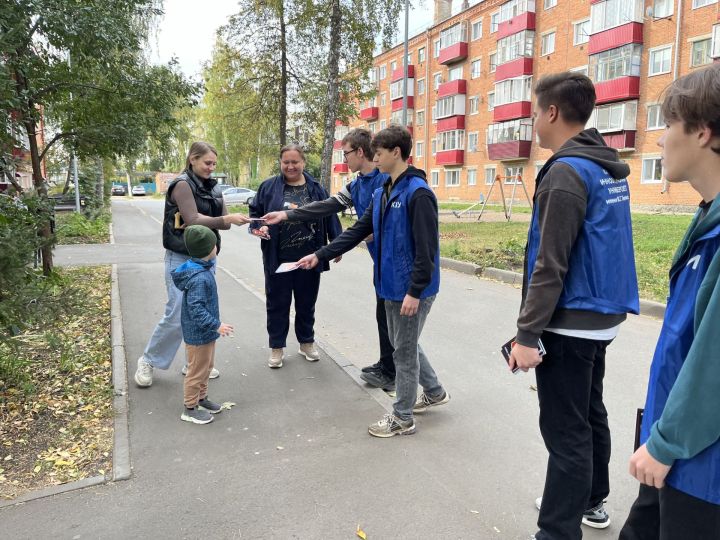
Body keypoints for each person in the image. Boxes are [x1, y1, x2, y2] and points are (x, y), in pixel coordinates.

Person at [507, 72, 639, 539]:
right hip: (600, 315)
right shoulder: (602, 164)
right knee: (589, 413)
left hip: (570, 320)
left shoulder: (565, 171)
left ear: (552, 112)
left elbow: (550, 263)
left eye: (533, 111)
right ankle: (590, 500)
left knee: (566, 432)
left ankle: (557, 530)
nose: (532, 122)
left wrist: (527, 335)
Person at [619, 64, 720, 540]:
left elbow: (713, 362)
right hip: (677, 452)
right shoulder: (707, 218)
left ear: (702, 132)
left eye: (667, 124)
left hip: (701, 467)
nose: (658, 139)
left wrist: (665, 442)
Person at [298, 125, 449, 438]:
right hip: (389, 284)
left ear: (396, 152)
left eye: (378, 154)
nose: (374, 159)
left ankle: (402, 418)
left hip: (411, 289)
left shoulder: (418, 194)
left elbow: (427, 250)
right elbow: (355, 231)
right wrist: (321, 255)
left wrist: (415, 292)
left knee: (403, 352)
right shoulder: (383, 192)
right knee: (402, 344)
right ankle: (434, 392)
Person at [261, 128, 395, 390]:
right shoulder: (356, 184)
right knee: (384, 315)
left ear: (359, 152)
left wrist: (340, 243)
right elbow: (328, 206)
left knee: (397, 320)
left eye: (345, 153)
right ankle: (387, 365)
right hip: (379, 262)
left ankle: (405, 377)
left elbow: (376, 225)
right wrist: (286, 216)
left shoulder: (386, 181)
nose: (343, 158)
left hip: (394, 261)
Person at [134, 142, 250, 388]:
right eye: (207, 163)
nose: (211, 168)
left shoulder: (213, 187)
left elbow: (225, 224)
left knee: (199, 313)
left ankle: (193, 364)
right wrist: (224, 218)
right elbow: (193, 219)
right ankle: (148, 360)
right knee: (177, 313)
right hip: (181, 257)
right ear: (192, 160)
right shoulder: (182, 185)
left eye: (214, 164)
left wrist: (230, 219)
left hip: (207, 258)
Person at [249, 144, 342, 368]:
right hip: (278, 259)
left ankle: (306, 343)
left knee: (306, 303)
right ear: (280, 163)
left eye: (295, 162)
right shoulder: (268, 187)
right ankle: (277, 347)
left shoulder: (316, 188)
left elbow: (328, 214)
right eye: (286, 162)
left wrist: (336, 244)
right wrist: (257, 229)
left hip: (310, 259)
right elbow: (255, 215)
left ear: (303, 162)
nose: (290, 166)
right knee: (277, 304)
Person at [171, 225, 233, 425]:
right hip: (199, 335)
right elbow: (196, 310)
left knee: (206, 367)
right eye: (215, 244)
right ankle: (189, 408)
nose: (217, 247)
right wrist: (216, 325)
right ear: (209, 249)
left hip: (205, 334)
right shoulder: (199, 278)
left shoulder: (202, 269)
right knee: (196, 371)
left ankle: (201, 399)